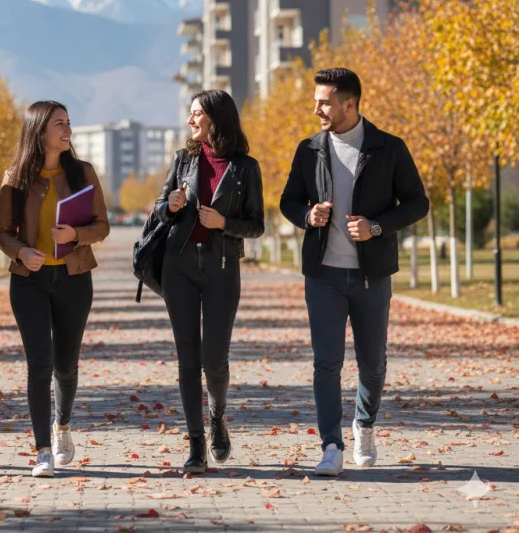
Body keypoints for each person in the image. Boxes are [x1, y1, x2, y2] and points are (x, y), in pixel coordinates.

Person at [280, 67, 428, 477]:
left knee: (373, 364)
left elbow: (417, 202)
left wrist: (376, 227)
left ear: (350, 103)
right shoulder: (309, 149)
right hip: (323, 275)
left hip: (371, 275)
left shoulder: (389, 148)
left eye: (324, 102)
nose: (317, 109)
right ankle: (331, 445)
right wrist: (308, 215)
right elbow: (288, 201)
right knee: (326, 363)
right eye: (316, 101)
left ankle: (364, 424)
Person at [0, 101, 109, 478]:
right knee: (39, 364)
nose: (68, 129)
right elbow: (2, 233)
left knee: (65, 364)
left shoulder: (83, 172)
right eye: (60, 123)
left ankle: (62, 428)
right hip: (29, 282)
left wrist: (76, 234)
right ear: (40, 130)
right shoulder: (15, 177)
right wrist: (21, 251)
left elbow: (102, 226)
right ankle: (42, 449)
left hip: (74, 278)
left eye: (69, 122)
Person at [154, 89, 264, 474]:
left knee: (214, 360)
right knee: (188, 360)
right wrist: (169, 205)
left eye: (196, 113)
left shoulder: (245, 168)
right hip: (178, 267)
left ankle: (217, 417)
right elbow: (158, 208)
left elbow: (257, 224)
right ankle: (196, 443)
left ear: (216, 118)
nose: (190, 120)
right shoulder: (184, 160)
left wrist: (224, 224)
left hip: (222, 270)